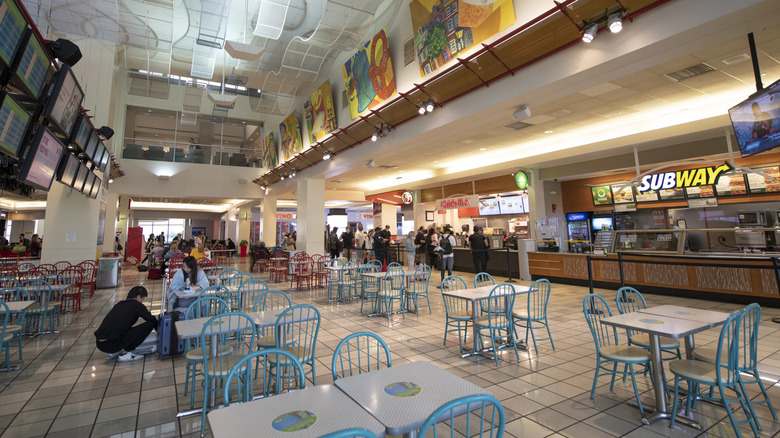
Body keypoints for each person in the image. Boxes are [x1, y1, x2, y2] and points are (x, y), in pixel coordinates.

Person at [94, 286, 157, 361]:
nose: (141, 302)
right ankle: (126, 352)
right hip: (111, 344)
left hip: (100, 344)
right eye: (142, 299)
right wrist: (161, 330)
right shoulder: (136, 305)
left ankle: (116, 351)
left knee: (125, 329)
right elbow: (151, 319)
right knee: (149, 325)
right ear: (138, 297)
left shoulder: (119, 304)